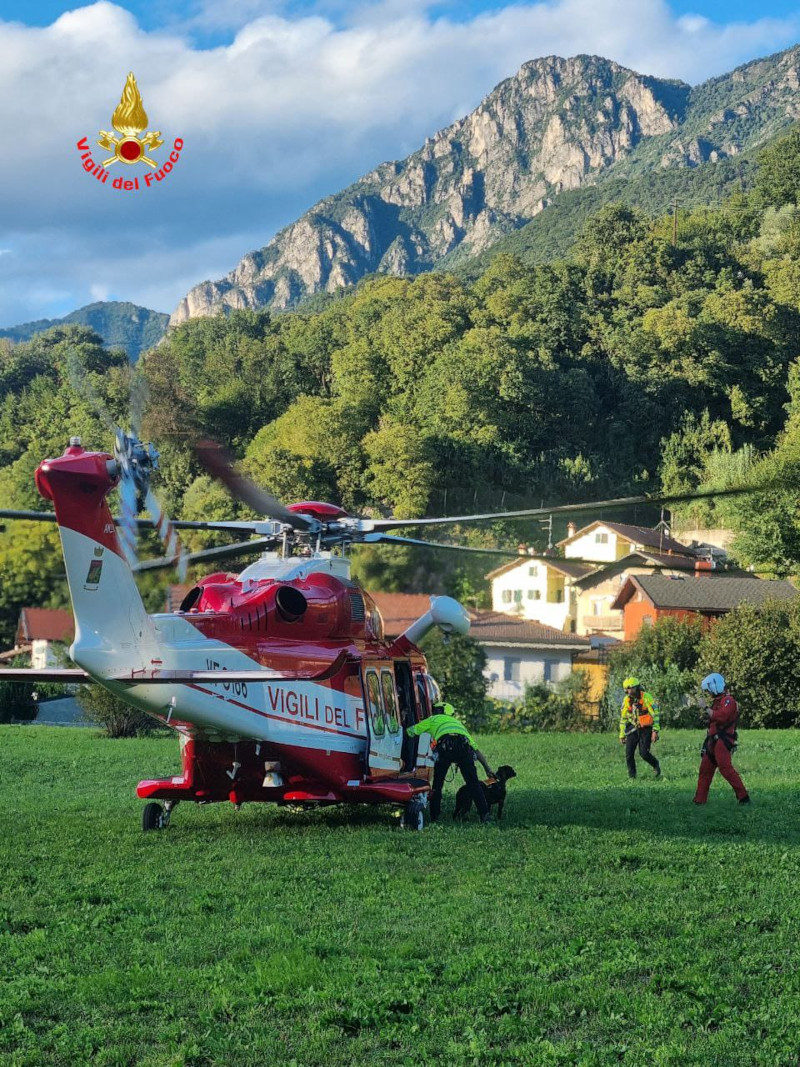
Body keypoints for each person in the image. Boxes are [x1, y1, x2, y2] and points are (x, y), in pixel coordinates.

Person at [406, 701, 495, 823]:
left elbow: (411, 731)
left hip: (445, 748)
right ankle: (485, 816)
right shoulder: (458, 724)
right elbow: (475, 749)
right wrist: (487, 768)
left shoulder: (432, 719)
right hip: (464, 748)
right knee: (474, 784)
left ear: (438, 711)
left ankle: (435, 817)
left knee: (437, 784)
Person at [693, 672, 750, 805]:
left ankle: (744, 797)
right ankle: (700, 801)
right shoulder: (717, 702)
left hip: (723, 741)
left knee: (726, 769)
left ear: (715, 687)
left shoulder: (729, 701)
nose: (709, 693)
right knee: (705, 770)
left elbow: (721, 716)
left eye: (709, 690)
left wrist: (705, 707)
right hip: (712, 741)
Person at [618, 676, 661, 779]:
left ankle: (655, 764)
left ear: (636, 688)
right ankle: (632, 777)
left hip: (645, 729)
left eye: (629, 689)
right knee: (629, 754)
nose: (627, 692)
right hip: (632, 728)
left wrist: (655, 731)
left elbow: (656, 714)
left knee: (644, 753)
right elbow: (623, 718)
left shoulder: (647, 697)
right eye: (625, 690)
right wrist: (622, 734)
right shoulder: (626, 701)